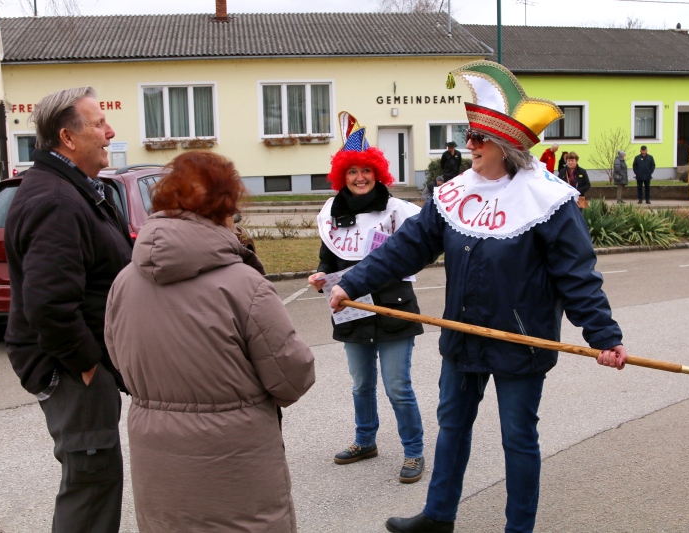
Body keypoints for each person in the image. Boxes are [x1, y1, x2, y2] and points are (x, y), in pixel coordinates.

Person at [329, 61, 627, 533]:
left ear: (506, 146)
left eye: (478, 138)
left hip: (521, 342)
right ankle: (438, 516)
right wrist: (352, 282)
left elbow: (577, 276)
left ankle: (518, 528)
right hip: (463, 337)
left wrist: (604, 336)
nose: (469, 145)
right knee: (452, 427)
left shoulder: (549, 200)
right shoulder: (454, 193)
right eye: (468, 136)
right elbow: (407, 247)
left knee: (518, 438)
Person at [104, 151, 316, 531]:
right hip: (235, 464)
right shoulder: (244, 285)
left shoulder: (123, 281)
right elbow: (292, 376)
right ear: (224, 208)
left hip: (158, 466)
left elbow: (118, 357)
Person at [3, 86, 133, 532]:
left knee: (95, 484)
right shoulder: (56, 200)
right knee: (90, 490)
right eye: (99, 123)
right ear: (68, 137)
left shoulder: (73, 190)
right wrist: (87, 366)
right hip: (73, 370)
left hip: (82, 367)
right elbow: (49, 305)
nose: (110, 132)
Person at [307, 112, 426, 484]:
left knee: (398, 387)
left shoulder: (397, 211)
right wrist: (320, 275)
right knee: (361, 384)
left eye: (366, 171)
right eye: (352, 171)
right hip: (351, 311)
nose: (360, 177)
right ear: (342, 176)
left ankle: (414, 451)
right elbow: (328, 258)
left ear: (378, 173)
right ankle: (365, 441)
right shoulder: (332, 212)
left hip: (394, 308)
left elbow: (417, 251)